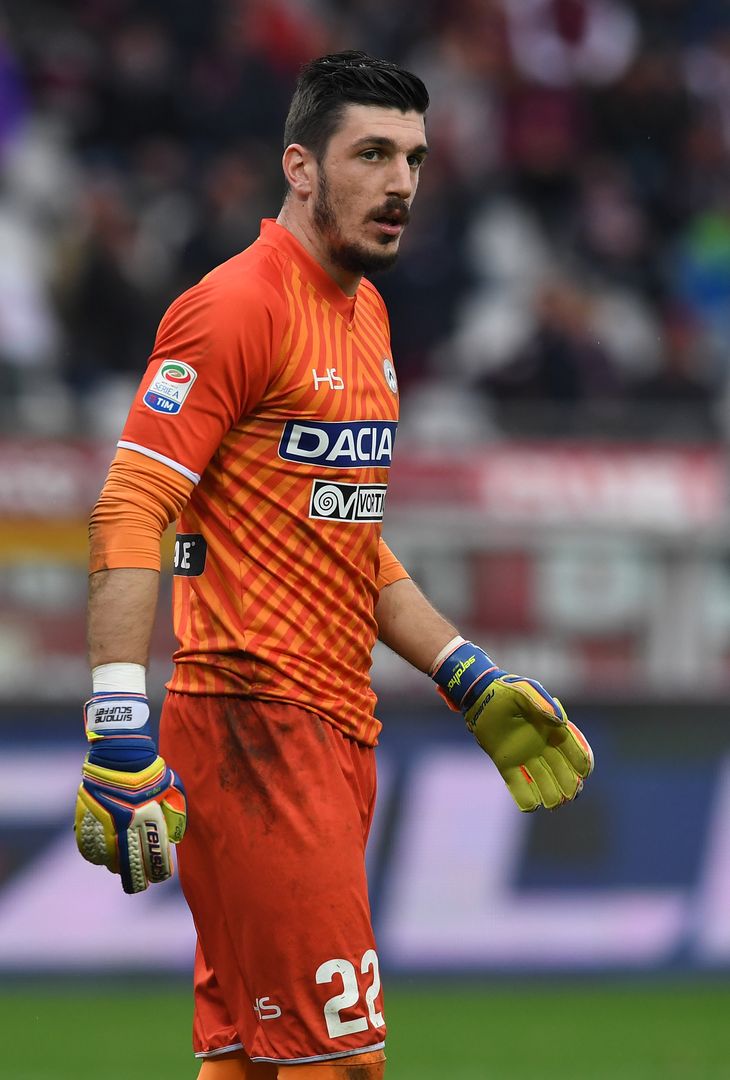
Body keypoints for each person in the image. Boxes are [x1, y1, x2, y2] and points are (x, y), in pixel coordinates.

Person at [74, 51, 594, 1080]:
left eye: (414, 157)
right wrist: (115, 723)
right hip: (253, 722)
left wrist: (464, 671)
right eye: (371, 154)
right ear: (300, 167)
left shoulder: (366, 313)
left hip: (329, 728)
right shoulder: (235, 305)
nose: (400, 182)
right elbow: (132, 506)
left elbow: (345, 535)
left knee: (251, 1062)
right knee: (341, 1063)